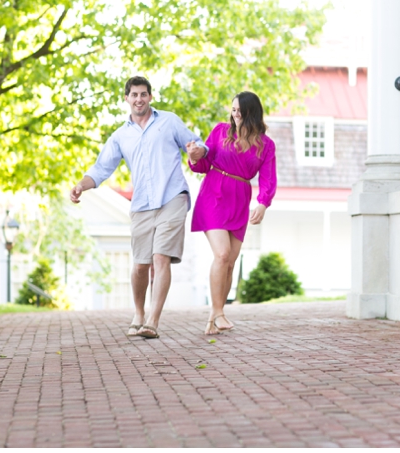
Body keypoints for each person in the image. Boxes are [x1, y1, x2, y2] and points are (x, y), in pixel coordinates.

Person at [70, 76, 207, 339]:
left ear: (150, 97)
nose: (139, 99)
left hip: (173, 197)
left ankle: (153, 321)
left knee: (160, 257)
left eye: (143, 94)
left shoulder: (168, 121)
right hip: (142, 203)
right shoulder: (121, 135)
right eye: (134, 95)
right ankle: (139, 313)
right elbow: (101, 168)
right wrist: (80, 186)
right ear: (126, 98)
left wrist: (196, 151)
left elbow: (196, 142)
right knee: (140, 265)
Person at [185, 91, 277, 335]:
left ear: (251, 113)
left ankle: (213, 319)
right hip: (214, 193)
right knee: (222, 255)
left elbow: (268, 177)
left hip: (239, 198)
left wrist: (263, 203)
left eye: (240, 110)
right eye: (233, 110)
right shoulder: (219, 132)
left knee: (230, 261)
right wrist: (195, 156)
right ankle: (220, 313)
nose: (235, 115)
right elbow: (204, 164)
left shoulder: (266, 145)